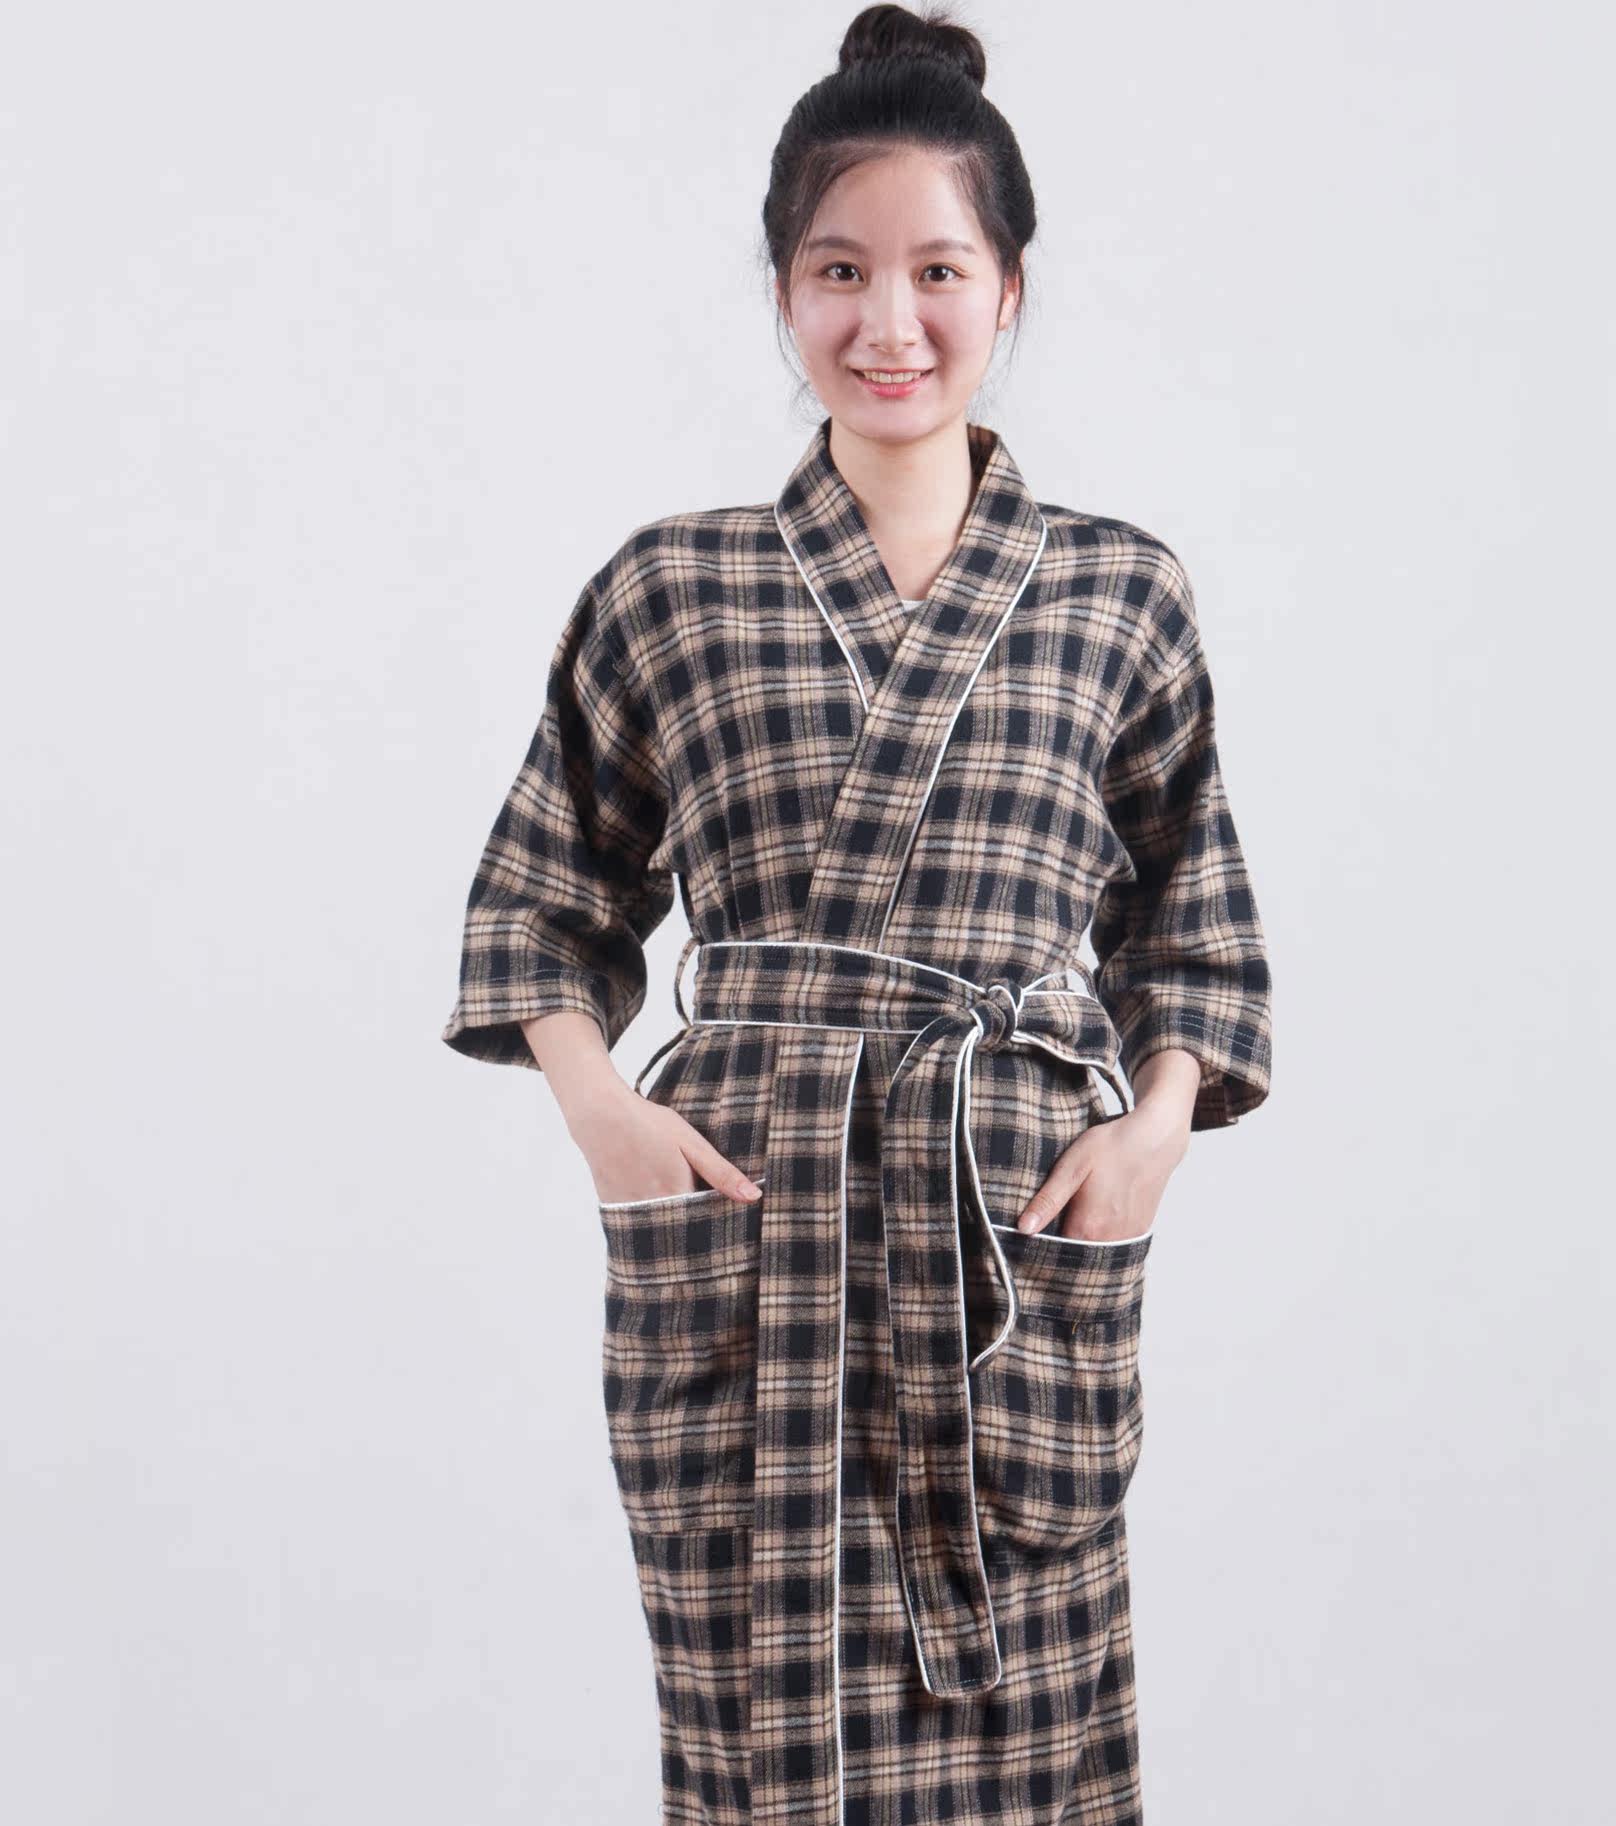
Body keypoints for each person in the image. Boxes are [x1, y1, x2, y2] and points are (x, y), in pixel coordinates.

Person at [440, 6, 1272, 1820]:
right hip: (749, 1224)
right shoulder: (670, 587)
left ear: (1010, 289)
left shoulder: (1118, 591)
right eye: (839, 270)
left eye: (936, 270)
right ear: (781, 293)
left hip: (1008, 1219)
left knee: (1030, 1733)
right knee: (758, 1735)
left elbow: (1191, 910)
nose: (889, 322)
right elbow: (544, 894)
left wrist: (1151, 1132)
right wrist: (602, 1113)